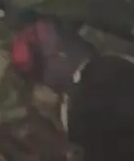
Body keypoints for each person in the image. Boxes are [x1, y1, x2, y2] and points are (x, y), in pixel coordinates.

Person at [11, 17, 134, 160]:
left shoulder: (71, 119)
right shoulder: (105, 75)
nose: (76, 36)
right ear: (57, 57)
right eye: (63, 33)